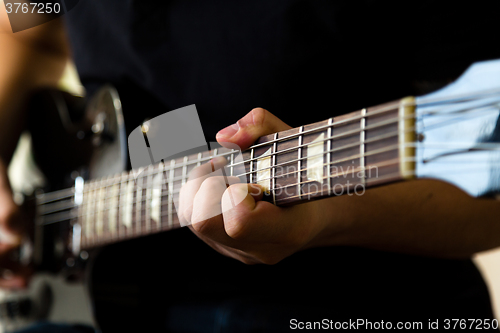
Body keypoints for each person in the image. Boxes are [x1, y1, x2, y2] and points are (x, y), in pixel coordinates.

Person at [1, 1, 500, 332]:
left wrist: (325, 220)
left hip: (357, 305)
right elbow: (23, 30)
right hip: (100, 293)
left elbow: (489, 205)